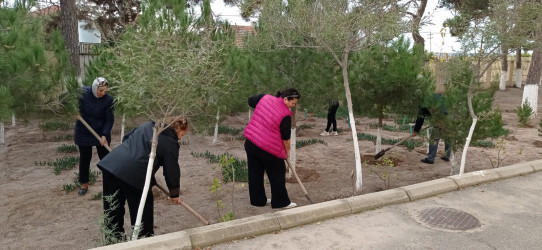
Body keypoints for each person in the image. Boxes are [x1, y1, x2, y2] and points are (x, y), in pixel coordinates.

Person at [97, 117, 188, 240]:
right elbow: (171, 169)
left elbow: (126, 139)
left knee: (112, 207)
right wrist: (174, 193)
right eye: (181, 134)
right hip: (134, 175)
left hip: (112, 166)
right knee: (143, 210)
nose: (180, 138)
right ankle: (143, 241)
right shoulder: (170, 142)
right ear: (176, 129)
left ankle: (112, 240)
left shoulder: (148, 125)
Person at [244, 87, 300, 209]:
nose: (293, 106)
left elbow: (250, 100)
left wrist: (263, 109)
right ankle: (281, 202)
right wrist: (287, 152)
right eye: (292, 103)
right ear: (285, 99)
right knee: (277, 174)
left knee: (255, 173)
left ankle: (257, 200)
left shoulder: (264, 98)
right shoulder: (285, 115)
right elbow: (286, 138)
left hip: (251, 143)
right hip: (268, 149)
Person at [74, 77, 114, 196]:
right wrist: (71, 110)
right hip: (83, 130)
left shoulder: (108, 100)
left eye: (105, 91)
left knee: (106, 160)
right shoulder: (83, 92)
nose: (103, 93)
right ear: (94, 88)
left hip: (100, 132)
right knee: (85, 159)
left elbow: (109, 120)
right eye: (100, 90)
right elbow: (64, 99)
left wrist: (104, 134)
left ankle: (110, 183)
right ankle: (84, 184)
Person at [412, 93, 450, 164]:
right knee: (447, 136)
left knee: (434, 138)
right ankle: (447, 156)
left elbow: (420, 118)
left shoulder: (422, 101)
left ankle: (430, 159)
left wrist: (416, 130)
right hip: (449, 116)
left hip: (440, 117)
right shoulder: (436, 95)